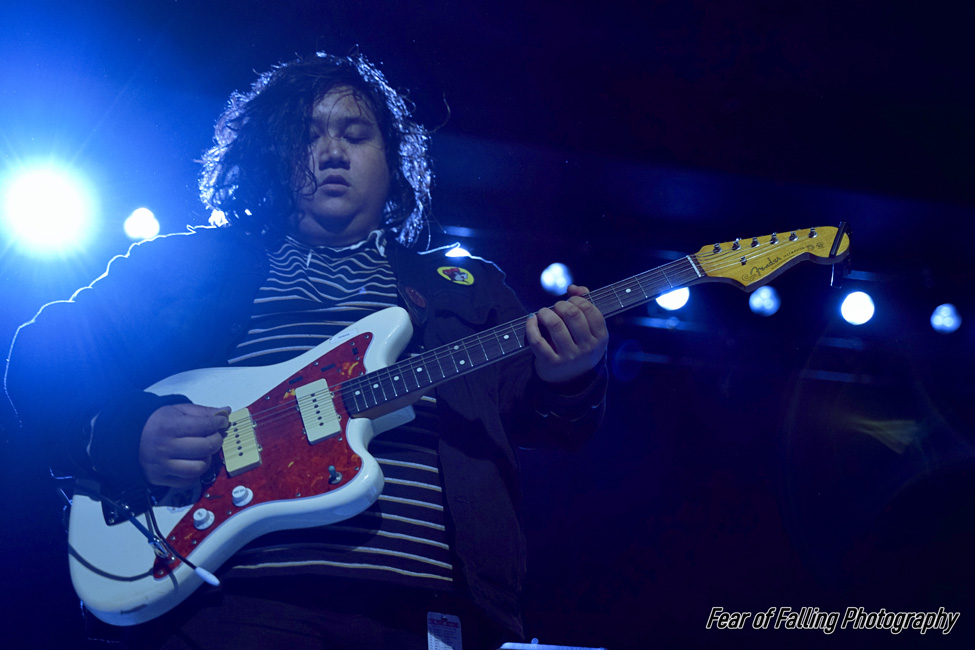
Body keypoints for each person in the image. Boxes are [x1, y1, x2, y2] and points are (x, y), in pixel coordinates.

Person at [4, 52, 608, 650]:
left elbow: (546, 420)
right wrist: (125, 436)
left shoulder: (471, 290)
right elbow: (39, 361)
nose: (332, 152)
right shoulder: (188, 266)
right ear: (271, 154)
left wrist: (571, 375)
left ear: (392, 162)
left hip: (429, 612)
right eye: (307, 135)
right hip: (231, 604)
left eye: (356, 133)